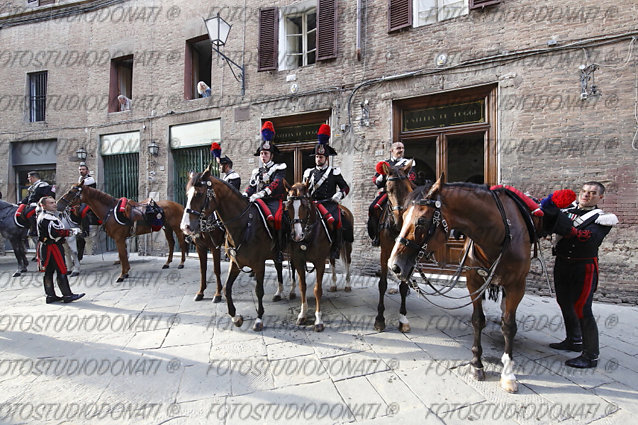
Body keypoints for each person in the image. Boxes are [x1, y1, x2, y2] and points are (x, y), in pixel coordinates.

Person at [541, 182, 618, 368]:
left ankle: (591, 355)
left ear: (600, 198)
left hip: (584, 267)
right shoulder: (566, 210)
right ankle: (574, 340)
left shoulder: (603, 218)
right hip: (562, 262)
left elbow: (589, 237)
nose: (586, 195)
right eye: (584, 191)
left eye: (592, 193)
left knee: (583, 309)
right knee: (564, 302)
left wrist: (563, 226)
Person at [302, 124, 351, 259]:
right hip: (312, 204)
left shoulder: (334, 172)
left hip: (328, 204)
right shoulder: (308, 172)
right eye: (317, 156)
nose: (319, 159)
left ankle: (335, 247)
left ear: (326, 158)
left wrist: (338, 195)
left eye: (321, 157)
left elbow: (345, 187)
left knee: (337, 221)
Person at [243, 121, 287, 262]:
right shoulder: (257, 171)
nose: (263, 156)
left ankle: (279, 249)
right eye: (262, 153)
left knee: (277, 220)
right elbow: (251, 186)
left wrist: (262, 193)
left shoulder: (279, 168)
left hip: (273, 201)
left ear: (271, 155)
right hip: (258, 201)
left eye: (266, 153)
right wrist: (245, 194)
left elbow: (275, 184)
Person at [36, 196, 85, 304]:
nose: (54, 204)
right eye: (51, 203)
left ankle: (50, 296)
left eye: (54, 202)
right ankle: (67, 295)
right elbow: (55, 233)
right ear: (43, 205)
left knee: (49, 272)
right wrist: (71, 232)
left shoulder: (45, 216)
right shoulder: (48, 218)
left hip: (46, 246)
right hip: (53, 247)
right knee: (61, 270)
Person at [367, 141, 416, 246]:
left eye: (402, 148)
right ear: (392, 150)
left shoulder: (407, 163)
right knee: (373, 208)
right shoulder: (385, 164)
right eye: (398, 148)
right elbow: (375, 180)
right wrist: (381, 176)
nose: (401, 150)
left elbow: (413, 178)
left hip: (404, 194)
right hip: (389, 193)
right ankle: (376, 236)